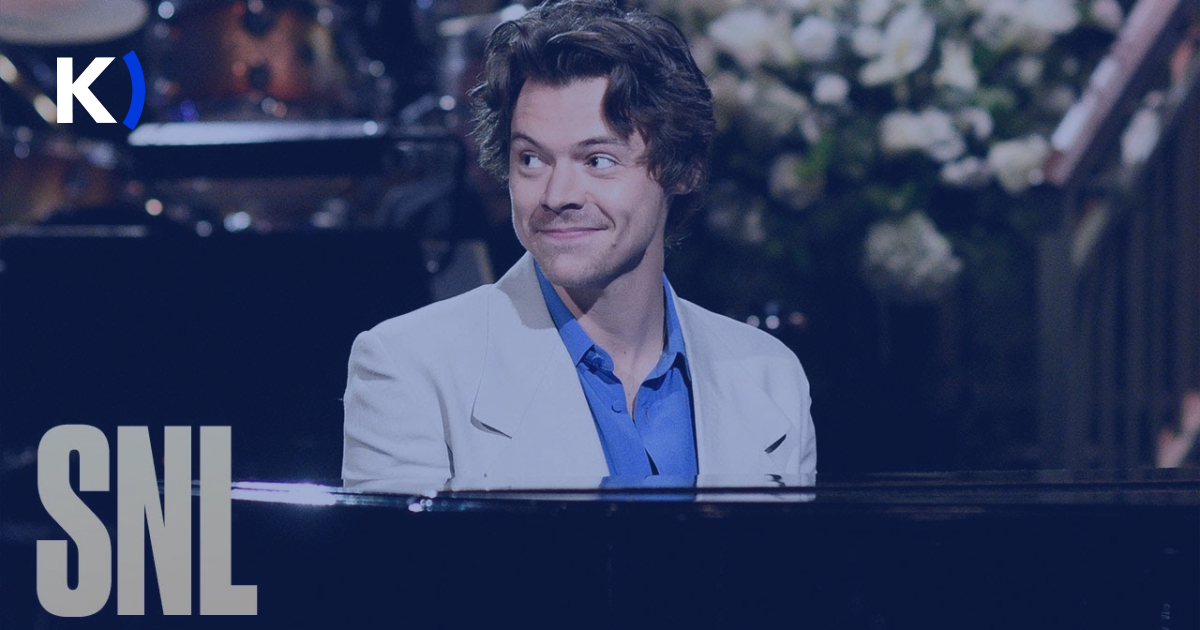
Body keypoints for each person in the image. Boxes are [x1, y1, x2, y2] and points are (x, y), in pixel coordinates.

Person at [342, 0, 815, 485]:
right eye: (531, 159)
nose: (557, 195)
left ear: (685, 170)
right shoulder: (410, 371)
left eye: (598, 160)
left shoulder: (770, 376)